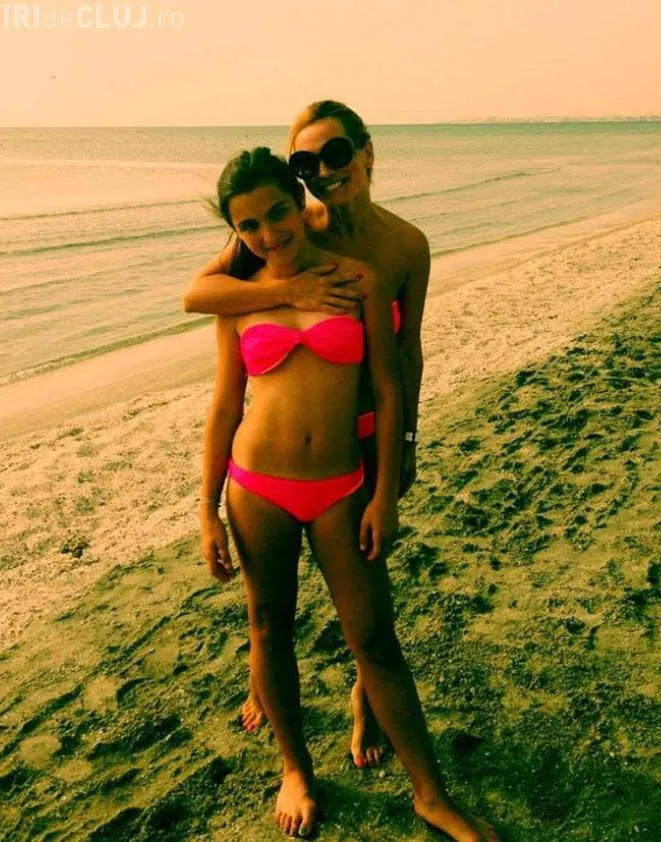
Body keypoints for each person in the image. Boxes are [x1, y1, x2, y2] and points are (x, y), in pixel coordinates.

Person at [199, 147, 498, 841]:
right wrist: (206, 510)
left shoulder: (358, 280)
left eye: (278, 212)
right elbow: (224, 406)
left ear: (299, 201)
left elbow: (389, 392)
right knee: (268, 628)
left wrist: (385, 492)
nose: (268, 233)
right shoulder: (237, 296)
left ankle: (431, 795)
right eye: (249, 226)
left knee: (375, 641)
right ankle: (296, 769)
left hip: (340, 487)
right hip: (257, 489)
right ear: (235, 232)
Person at [184, 101, 429, 769]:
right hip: (273, 459)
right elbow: (201, 295)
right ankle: (271, 695)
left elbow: (405, 355)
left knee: (369, 614)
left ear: (366, 151)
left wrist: (406, 447)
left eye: (336, 153)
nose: (323, 170)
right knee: (270, 619)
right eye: (306, 161)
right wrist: (285, 292)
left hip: (367, 433)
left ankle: (364, 703)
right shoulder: (286, 229)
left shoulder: (403, 246)